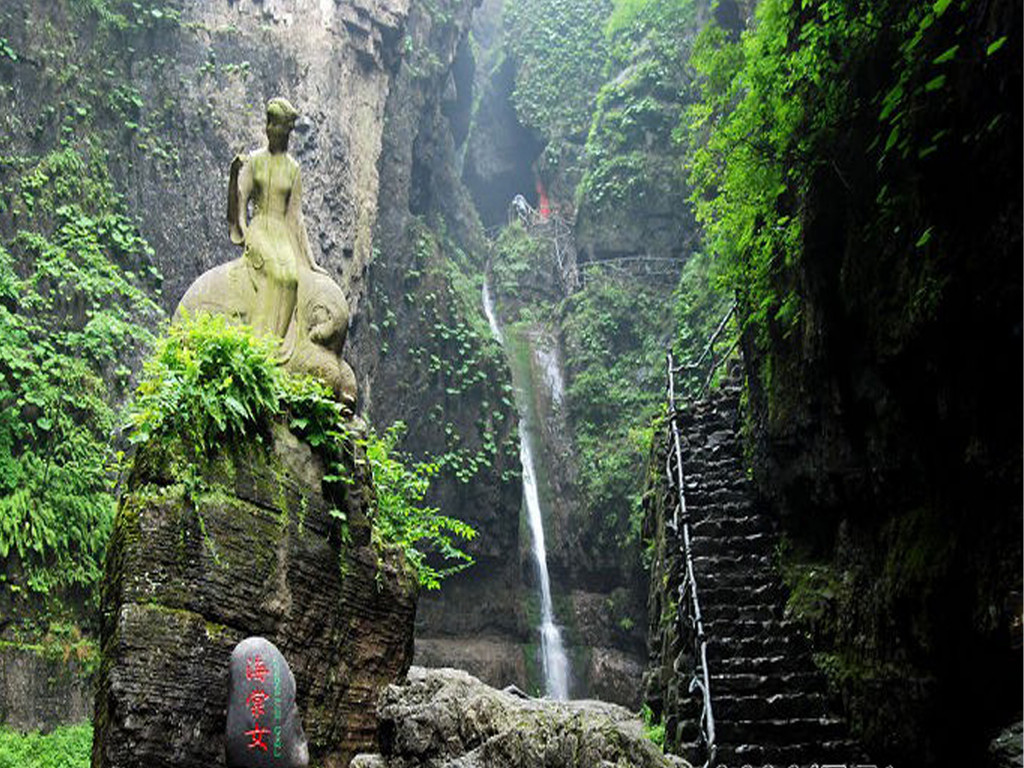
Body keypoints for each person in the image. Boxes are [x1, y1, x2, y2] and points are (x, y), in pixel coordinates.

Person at [228, 97, 325, 343]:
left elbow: (297, 216)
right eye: (271, 125)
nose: (273, 131)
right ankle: (258, 340)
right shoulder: (255, 160)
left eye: (280, 127)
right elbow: (242, 196)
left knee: (290, 276)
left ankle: (276, 344)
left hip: (282, 232)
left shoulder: (293, 169)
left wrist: (311, 261)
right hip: (260, 226)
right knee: (273, 272)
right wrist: (245, 229)